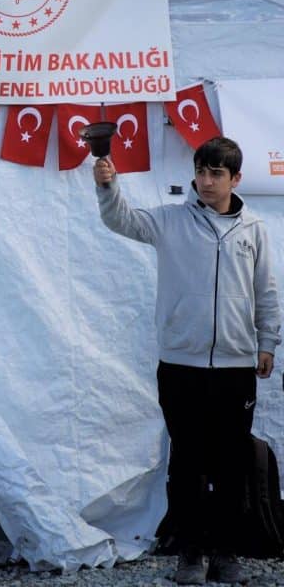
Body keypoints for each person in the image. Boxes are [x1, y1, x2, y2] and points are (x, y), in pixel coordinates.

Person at [93, 136, 281, 585]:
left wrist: (268, 342)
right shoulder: (170, 221)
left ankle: (226, 553)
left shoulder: (253, 229)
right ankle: (191, 554)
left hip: (236, 367)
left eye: (216, 173)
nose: (206, 180)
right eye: (200, 171)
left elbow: (267, 292)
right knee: (188, 461)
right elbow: (121, 220)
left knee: (232, 461)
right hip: (180, 364)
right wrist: (107, 186)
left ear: (236, 179)